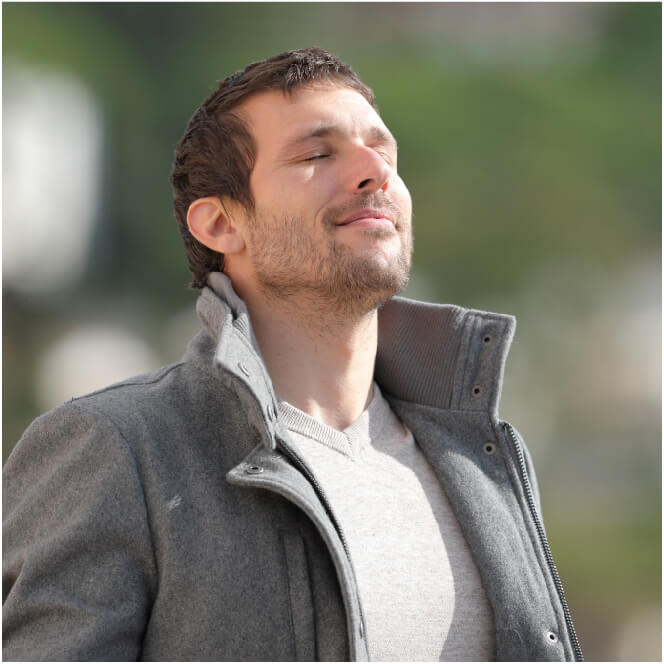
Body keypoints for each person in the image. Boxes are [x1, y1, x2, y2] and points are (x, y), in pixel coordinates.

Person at [3, 47, 582, 662]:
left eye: (382, 150)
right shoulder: (118, 449)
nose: (373, 171)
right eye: (316, 154)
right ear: (222, 225)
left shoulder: (484, 458)